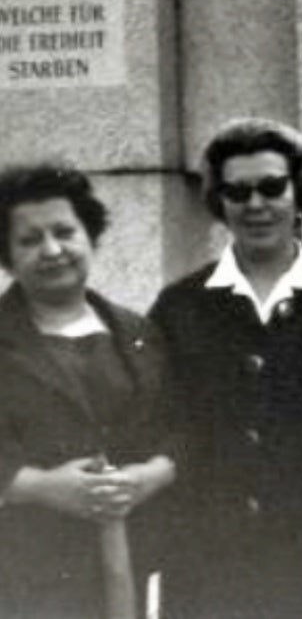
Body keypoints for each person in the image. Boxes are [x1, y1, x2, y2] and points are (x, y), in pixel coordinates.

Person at [150, 118, 302, 619]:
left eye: (272, 188)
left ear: (299, 194)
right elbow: (159, 419)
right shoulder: (179, 306)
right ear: (220, 202)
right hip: (204, 558)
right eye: (238, 191)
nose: (256, 204)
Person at [0, 163, 175, 618]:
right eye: (29, 240)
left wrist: (149, 476)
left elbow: (179, 428)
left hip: (129, 560)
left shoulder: (139, 333)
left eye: (64, 232)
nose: (52, 250)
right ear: (8, 256)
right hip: (21, 568)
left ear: (90, 236)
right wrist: (41, 487)